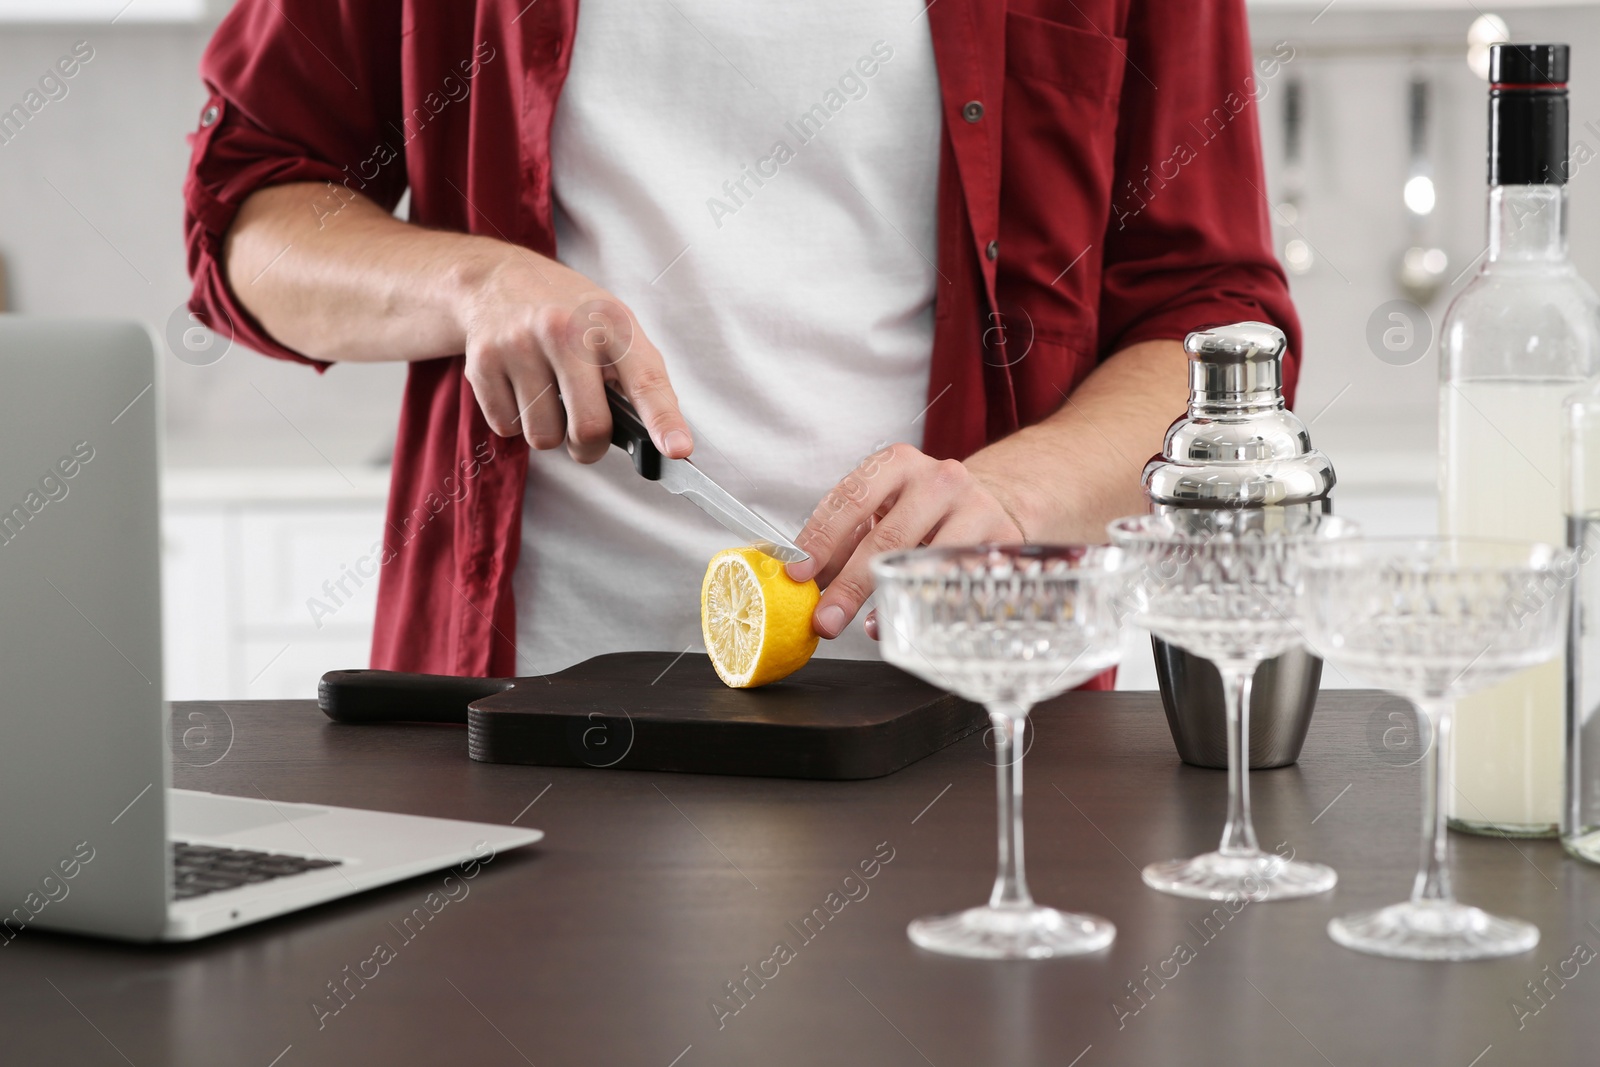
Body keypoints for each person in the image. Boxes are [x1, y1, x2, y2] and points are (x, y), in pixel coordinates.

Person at [183, 0, 1300, 680]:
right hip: (513, 710)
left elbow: (1216, 319)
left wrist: (1016, 491)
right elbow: (250, 215)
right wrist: (471, 281)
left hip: (965, 719)